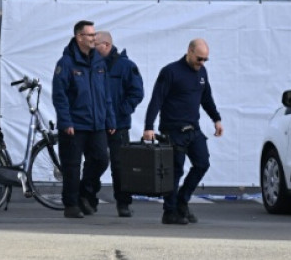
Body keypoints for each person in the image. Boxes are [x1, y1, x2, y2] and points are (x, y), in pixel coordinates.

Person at [143, 38, 223, 225]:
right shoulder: (170, 72)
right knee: (175, 170)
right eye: (199, 59)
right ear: (189, 52)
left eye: (205, 60)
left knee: (202, 163)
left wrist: (216, 119)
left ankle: (182, 201)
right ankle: (169, 211)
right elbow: (156, 100)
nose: (202, 63)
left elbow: (206, 98)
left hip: (193, 129)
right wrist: (149, 126)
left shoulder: (202, 72)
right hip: (173, 130)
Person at [52, 20, 115, 219]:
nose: (94, 39)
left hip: (96, 123)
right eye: (90, 35)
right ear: (79, 37)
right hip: (75, 125)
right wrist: (66, 122)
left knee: (101, 160)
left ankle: (84, 194)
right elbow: (59, 96)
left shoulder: (98, 61)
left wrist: (110, 119)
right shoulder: (66, 63)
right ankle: (71, 205)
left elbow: (106, 94)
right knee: (72, 167)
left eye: (95, 35)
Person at [94, 30, 145, 217]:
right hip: (97, 123)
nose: (92, 47)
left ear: (106, 45)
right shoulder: (92, 65)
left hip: (119, 124)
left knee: (120, 165)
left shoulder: (126, 66)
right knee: (95, 162)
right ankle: (89, 198)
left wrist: (121, 112)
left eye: (95, 44)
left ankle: (123, 203)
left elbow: (137, 93)